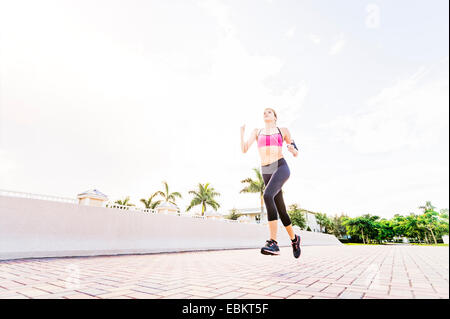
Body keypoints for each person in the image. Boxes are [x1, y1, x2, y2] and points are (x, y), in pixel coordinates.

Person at [240, 107, 301, 258]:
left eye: (269, 112)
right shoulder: (257, 132)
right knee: (281, 208)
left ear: (275, 117)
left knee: (267, 195)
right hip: (266, 169)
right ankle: (295, 239)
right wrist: (241, 133)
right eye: (264, 112)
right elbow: (244, 149)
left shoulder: (283, 130)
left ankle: (273, 242)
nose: (266, 113)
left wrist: (292, 149)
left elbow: (296, 151)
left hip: (280, 166)